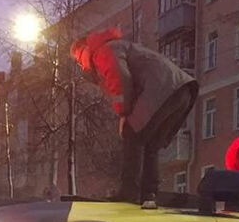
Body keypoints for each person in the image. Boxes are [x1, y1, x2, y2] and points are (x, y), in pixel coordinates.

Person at [71, 28, 198, 202]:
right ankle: (149, 193)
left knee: (132, 134)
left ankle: (129, 192)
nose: (82, 66)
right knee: (150, 142)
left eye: (79, 59)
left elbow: (120, 79)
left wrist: (123, 113)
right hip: (181, 90)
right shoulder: (119, 46)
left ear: (85, 48)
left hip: (161, 89)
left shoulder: (102, 51)